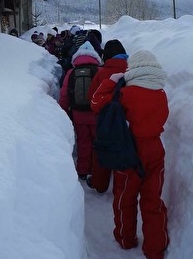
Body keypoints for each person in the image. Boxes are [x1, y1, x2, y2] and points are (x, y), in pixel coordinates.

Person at [91, 50, 169, 259]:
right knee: (153, 199)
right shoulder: (161, 93)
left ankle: (126, 238)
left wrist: (112, 81)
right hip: (155, 150)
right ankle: (155, 247)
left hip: (128, 150)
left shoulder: (126, 94)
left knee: (125, 197)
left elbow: (97, 102)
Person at [85, 39, 128, 193]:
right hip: (125, 121)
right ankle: (120, 188)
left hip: (103, 120)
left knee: (102, 151)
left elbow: (91, 96)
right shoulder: (131, 71)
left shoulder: (101, 73)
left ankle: (99, 184)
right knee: (123, 151)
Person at [58, 41, 102, 180]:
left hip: (78, 114)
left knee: (83, 142)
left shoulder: (71, 72)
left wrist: (63, 111)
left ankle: (83, 169)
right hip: (96, 114)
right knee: (97, 142)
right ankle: (98, 170)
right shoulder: (100, 72)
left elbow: (64, 95)